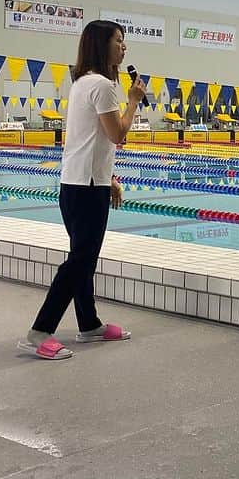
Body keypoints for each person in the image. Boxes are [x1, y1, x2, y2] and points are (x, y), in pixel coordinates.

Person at [16, 20, 145, 360]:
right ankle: (39, 331)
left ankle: (89, 325)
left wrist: (110, 178)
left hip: (80, 184)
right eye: (119, 40)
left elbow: (91, 140)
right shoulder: (102, 85)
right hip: (86, 189)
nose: (124, 47)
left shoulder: (83, 83)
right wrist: (133, 101)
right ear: (102, 45)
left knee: (84, 258)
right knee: (79, 261)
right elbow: (117, 134)